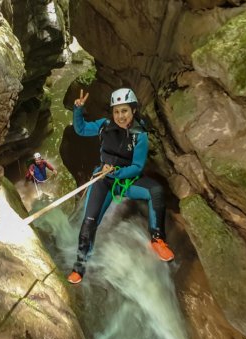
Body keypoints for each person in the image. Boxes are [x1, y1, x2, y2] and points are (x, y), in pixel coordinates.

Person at [67, 88, 174, 284]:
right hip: (103, 182)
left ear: (133, 110)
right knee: (89, 223)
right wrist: (78, 109)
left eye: (124, 111)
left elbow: (137, 166)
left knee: (156, 191)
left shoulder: (139, 135)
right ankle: (80, 266)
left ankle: (158, 239)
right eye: (116, 111)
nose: (120, 116)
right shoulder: (104, 126)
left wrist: (117, 172)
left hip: (126, 181)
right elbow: (80, 129)